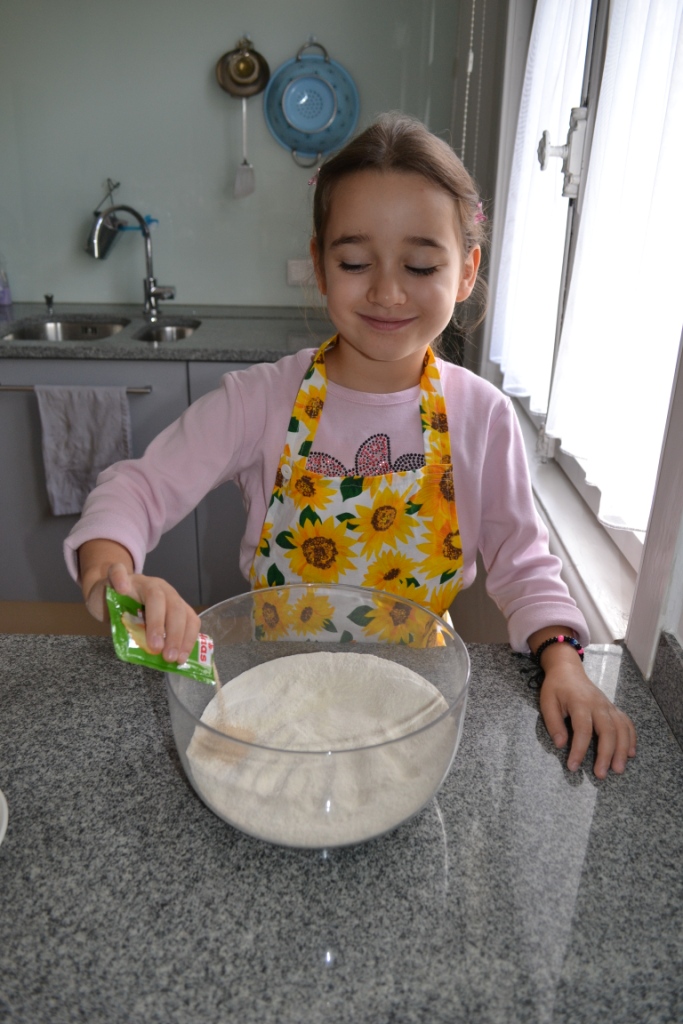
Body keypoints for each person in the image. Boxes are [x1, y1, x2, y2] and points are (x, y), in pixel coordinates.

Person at [65, 112, 636, 779]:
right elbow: (137, 489)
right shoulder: (261, 401)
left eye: (420, 264)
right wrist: (114, 576)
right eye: (355, 262)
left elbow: (523, 564)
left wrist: (564, 663)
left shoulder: (481, 416)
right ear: (319, 265)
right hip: (276, 707)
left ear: (465, 271)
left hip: (414, 708)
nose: (387, 291)